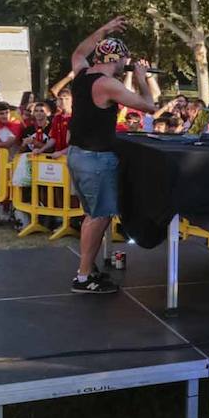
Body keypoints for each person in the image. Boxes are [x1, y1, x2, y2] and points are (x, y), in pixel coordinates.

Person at [64, 18, 159, 293]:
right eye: (124, 61)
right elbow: (149, 107)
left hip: (77, 155)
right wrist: (142, 79)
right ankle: (83, 277)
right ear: (117, 59)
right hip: (95, 159)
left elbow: (79, 52)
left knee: (91, 214)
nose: (124, 66)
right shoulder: (108, 84)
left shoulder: (82, 73)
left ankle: (88, 268)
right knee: (100, 216)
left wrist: (104, 29)